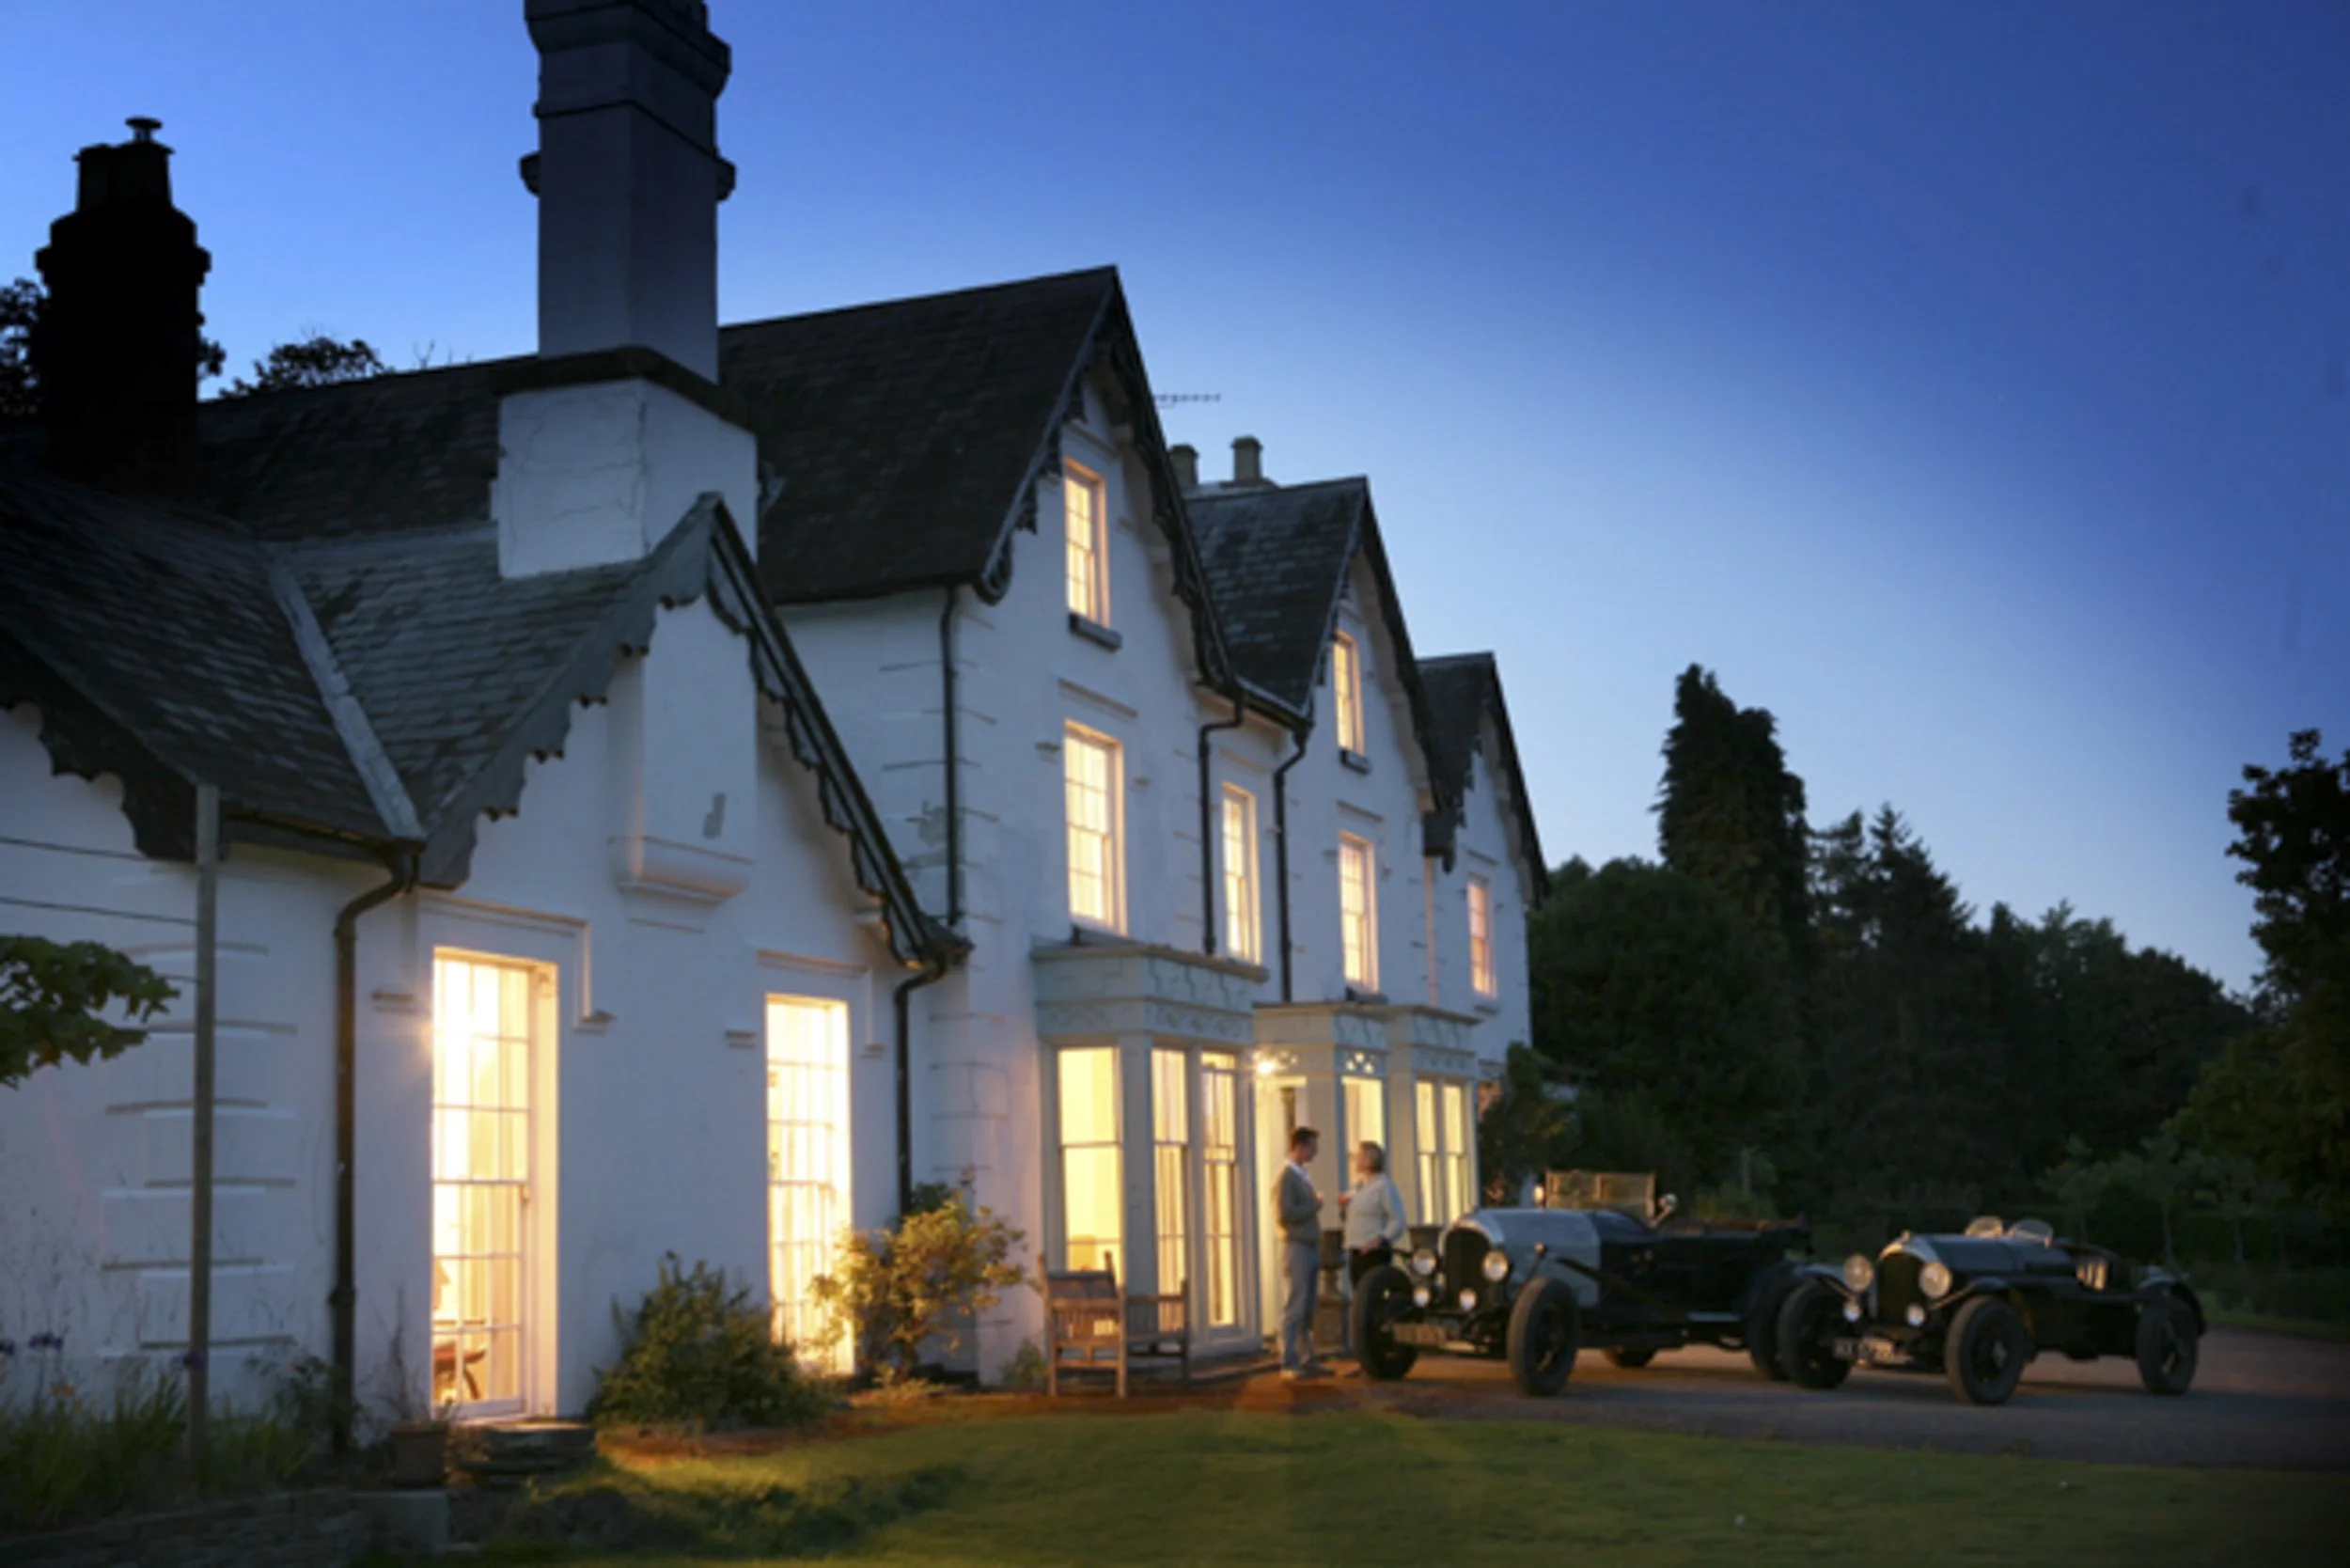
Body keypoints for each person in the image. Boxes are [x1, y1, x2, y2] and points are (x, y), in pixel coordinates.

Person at [1274, 1125, 1326, 1380]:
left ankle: (1306, 1357)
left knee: (1307, 1305)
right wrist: (1313, 1206)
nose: (1315, 1152)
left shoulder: (1301, 1176)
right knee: (1295, 1304)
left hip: (1308, 1243)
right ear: (1300, 1146)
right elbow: (1284, 1214)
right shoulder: (1286, 1178)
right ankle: (1288, 1360)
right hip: (1296, 1245)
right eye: (1312, 1147)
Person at [1340, 1140, 1407, 1290]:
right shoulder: (1357, 1185)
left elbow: (1398, 1219)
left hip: (1373, 1252)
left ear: (1369, 1159)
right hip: (1355, 1248)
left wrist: (1382, 1240)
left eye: (1358, 1156)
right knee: (1358, 1294)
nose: (1354, 1160)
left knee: (1371, 1295)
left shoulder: (1383, 1186)